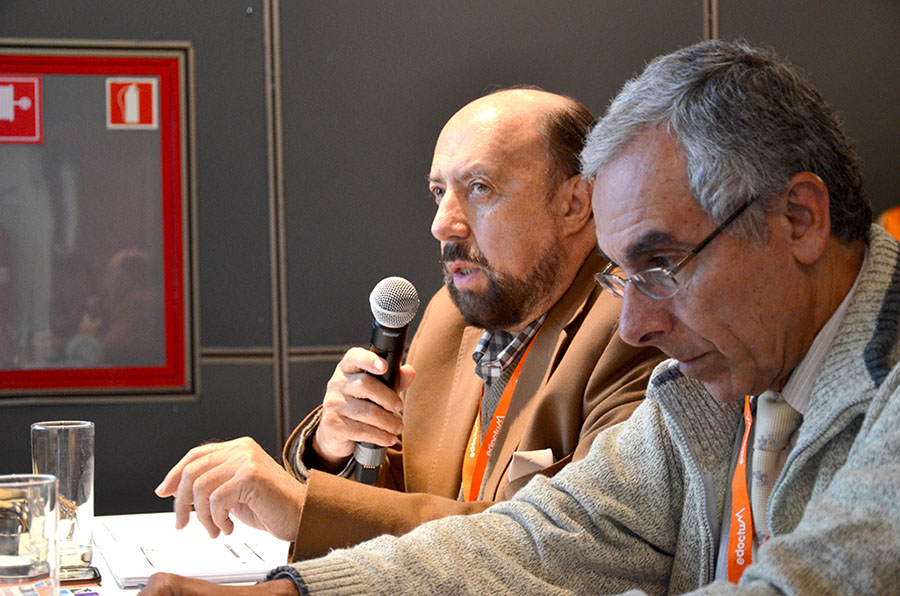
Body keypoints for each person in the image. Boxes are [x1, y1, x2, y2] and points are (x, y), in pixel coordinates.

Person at [139, 39, 900, 595]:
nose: (634, 323)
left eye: (661, 266)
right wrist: (291, 592)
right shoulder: (707, 386)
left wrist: (304, 523)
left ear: (799, 219)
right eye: (625, 274)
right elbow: (539, 537)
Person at [153, 88, 663, 560]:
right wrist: (337, 445)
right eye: (439, 191)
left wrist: (307, 509)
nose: (442, 224)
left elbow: (572, 543)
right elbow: (399, 492)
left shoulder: (637, 328)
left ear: (575, 203)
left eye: (480, 188)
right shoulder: (450, 316)